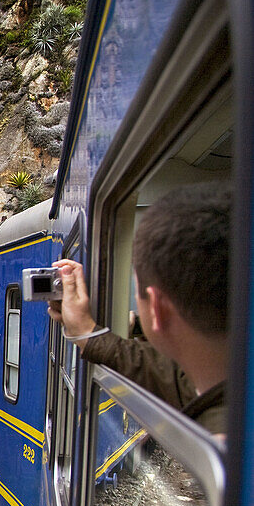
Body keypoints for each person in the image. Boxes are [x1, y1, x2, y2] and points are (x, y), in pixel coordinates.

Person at [48, 183, 229, 435]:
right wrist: (86, 332)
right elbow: (169, 375)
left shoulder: (222, 455)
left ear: (157, 308)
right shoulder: (221, 381)